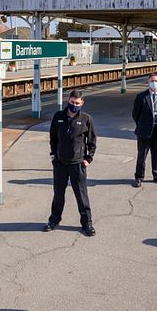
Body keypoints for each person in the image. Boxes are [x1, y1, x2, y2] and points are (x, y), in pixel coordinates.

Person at [45, 89, 97, 236]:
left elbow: (92, 141)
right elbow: (53, 138)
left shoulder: (86, 119)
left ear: (82, 103)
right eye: (72, 102)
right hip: (60, 163)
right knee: (58, 194)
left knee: (81, 195)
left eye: (77, 103)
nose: (75, 105)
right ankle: (54, 220)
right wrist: (53, 155)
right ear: (68, 101)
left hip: (78, 164)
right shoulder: (58, 117)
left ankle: (87, 223)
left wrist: (88, 159)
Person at [132, 73, 157, 188]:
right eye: (151, 81)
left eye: (156, 81)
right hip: (144, 131)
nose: (154, 83)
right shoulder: (141, 97)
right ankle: (139, 177)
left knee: (156, 155)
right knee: (142, 155)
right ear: (148, 82)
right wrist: (143, 124)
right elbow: (135, 114)